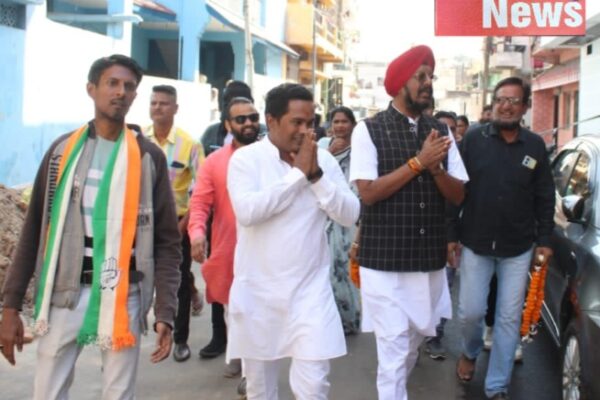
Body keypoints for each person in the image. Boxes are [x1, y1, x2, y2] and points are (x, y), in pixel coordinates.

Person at [0, 54, 181, 399]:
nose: (121, 92)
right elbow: (34, 230)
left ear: (134, 95)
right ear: (91, 89)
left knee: (118, 393)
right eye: (112, 83)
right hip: (65, 291)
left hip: (123, 293)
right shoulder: (62, 152)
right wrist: (10, 308)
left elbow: (167, 243)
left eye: (129, 86)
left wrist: (165, 312)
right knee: (48, 392)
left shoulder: (148, 158)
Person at [226, 83, 360, 399]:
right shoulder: (245, 160)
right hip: (258, 294)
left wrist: (316, 177)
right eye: (296, 122)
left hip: (310, 295)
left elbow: (350, 214)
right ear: (271, 121)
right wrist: (297, 175)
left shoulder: (323, 161)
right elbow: (248, 211)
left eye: (310, 123)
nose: (305, 131)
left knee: (314, 388)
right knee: (260, 390)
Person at [349, 45, 468, 400]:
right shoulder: (368, 130)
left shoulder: (441, 132)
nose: (428, 83)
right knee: (394, 350)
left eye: (430, 76)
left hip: (427, 261)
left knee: (412, 345)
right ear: (401, 83)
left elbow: (458, 195)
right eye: (420, 76)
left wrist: (435, 169)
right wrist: (418, 163)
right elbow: (368, 193)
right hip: (383, 262)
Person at [452, 77, 555, 400]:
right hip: (476, 242)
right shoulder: (473, 139)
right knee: (470, 312)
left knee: (509, 318)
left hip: (518, 247)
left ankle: (497, 385)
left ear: (525, 107)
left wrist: (544, 239)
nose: (506, 106)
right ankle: (470, 351)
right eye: (500, 100)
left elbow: (545, 195)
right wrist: (451, 234)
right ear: (493, 104)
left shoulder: (535, 146)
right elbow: (456, 189)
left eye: (513, 101)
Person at [188, 96, 261, 380]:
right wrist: (197, 234)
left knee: (262, 312)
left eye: (253, 117)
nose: (249, 123)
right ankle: (242, 362)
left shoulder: (274, 157)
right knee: (236, 310)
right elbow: (200, 203)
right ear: (228, 125)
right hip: (230, 250)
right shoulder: (215, 162)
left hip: (269, 249)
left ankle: (254, 371)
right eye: (241, 119)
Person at [144, 84, 204, 362]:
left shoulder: (189, 144)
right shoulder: (136, 140)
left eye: (164, 103)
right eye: (154, 103)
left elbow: (201, 190)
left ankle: (180, 339)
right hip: (142, 223)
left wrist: (186, 225)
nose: (158, 108)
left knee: (176, 279)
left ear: (175, 108)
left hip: (177, 224)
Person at [324, 106, 361, 335]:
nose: (339, 126)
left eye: (344, 121)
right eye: (336, 121)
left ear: (352, 125)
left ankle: (349, 319)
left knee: (345, 267)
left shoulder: (360, 150)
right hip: (325, 216)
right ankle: (331, 319)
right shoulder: (321, 147)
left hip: (350, 216)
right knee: (327, 269)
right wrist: (329, 153)